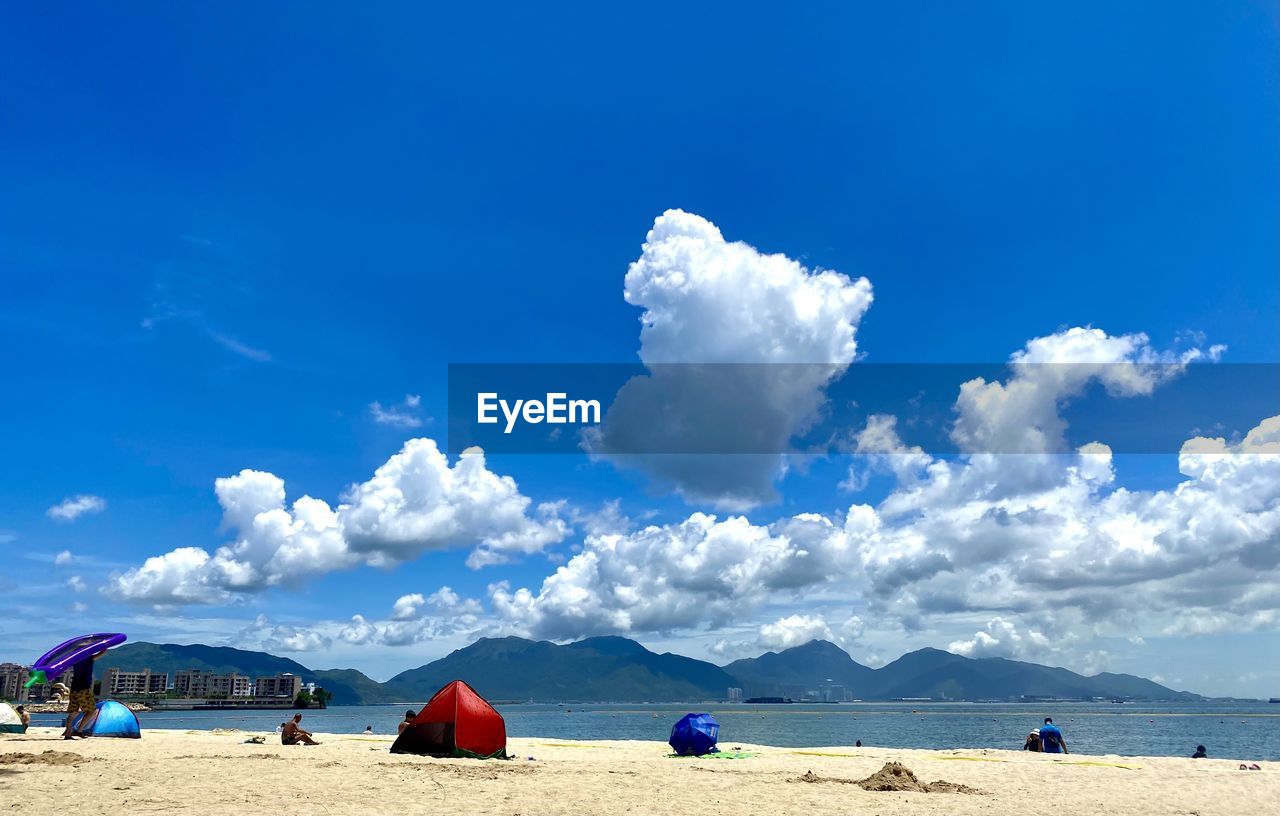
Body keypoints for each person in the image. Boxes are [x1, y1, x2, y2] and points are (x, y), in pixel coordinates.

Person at [62, 649, 105, 739]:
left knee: (74, 712)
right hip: (83, 689)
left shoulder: (75, 660)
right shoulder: (88, 658)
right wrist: (105, 647)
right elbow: (100, 654)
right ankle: (79, 730)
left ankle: (68, 733)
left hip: (74, 688)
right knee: (92, 711)